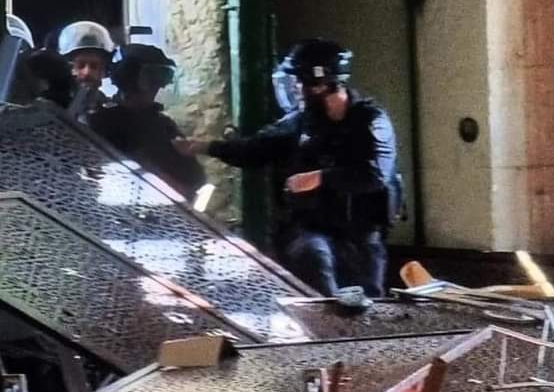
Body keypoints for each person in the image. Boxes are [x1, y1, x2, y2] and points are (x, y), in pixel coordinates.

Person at [174, 38, 400, 297]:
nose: (295, 89)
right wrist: (204, 147)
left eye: (300, 82)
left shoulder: (370, 120)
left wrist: (320, 178)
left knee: (366, 303)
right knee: (314, 263)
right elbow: (254, 149)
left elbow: (375, 174)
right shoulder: (300, 122)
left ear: (321, 82)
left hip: (360, 237)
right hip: (313, 229)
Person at [88, 43, 206, 200]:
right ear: (130, 77)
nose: (159, 84)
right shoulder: (104, 123)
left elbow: (195, 177)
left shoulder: (162, 124)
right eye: (153, 77)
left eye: (163, 76)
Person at [57, 20, 114, 122]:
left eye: (94, 66)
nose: (87, 73)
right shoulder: (53, 107)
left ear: (103, 70)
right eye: (80, 65)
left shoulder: (111, 112)